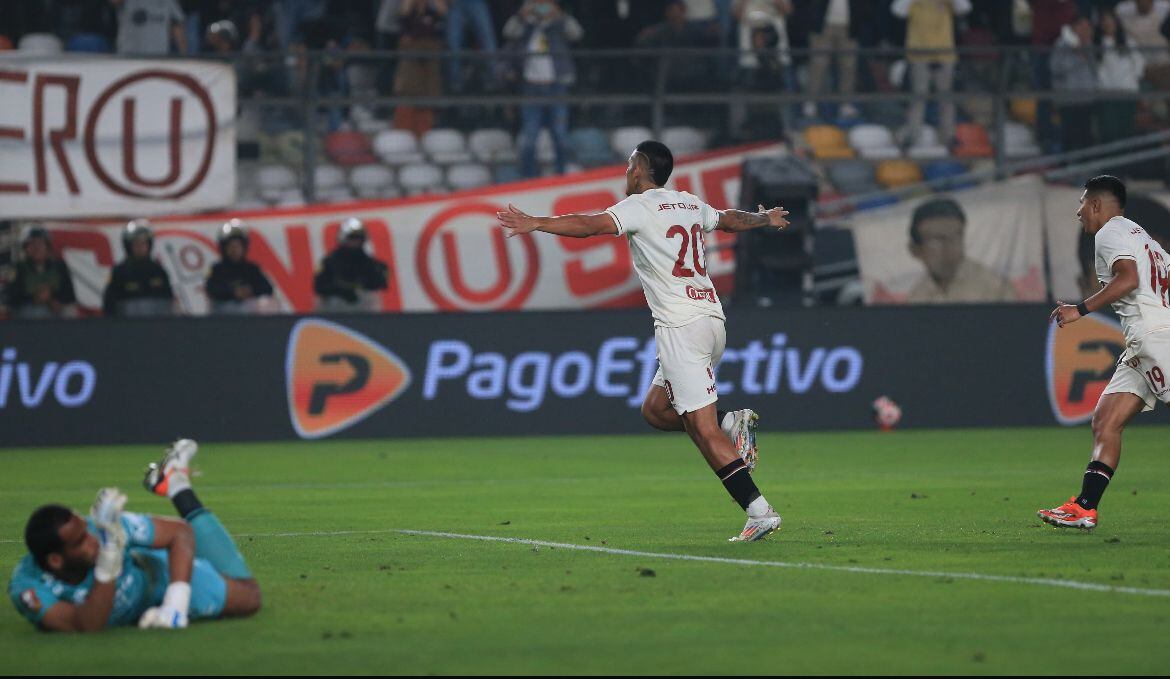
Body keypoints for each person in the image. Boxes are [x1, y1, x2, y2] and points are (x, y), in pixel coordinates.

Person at [497, 140, 790, 542]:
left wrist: (537, 223)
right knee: (655, 411)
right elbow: (730, 219)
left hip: (680, 327)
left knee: (702, 432)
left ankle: (760, 512)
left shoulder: (638, 207)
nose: (625, 172)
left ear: (640, 169)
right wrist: (765, 219)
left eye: (629, 165)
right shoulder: (688, 202)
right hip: (711, 320)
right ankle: (731, 422)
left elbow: (589, 225)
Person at [8, 439, 261, 631]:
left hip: (156, 575)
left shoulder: (105, 527)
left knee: (249, 597)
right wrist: (109, 558)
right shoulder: (28, 587)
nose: (92, 539)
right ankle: (174, 481)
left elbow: (180, 532)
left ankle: (176, 484)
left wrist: (176, 603)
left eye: (86, 531)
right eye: (80, 542)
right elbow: (85, 625)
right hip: (130, 601)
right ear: (55, 561)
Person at [1041, 176, 1170, 529]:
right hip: (1143, 341)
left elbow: (1127, 279)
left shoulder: (1110, 233)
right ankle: (1085, 506)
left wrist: (1078, 309)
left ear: (1096, 204)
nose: (1078, 211)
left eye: (1082, 203)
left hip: (1154, 338)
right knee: (1106, 421)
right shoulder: (1143, 238)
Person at [502, 0, 583, 178]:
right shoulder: (526, 25)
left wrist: (559, 14)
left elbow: (577, 33)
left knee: (560, 137)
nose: (541, 6)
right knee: (529, 139)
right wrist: (522, 16)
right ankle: (528, 178)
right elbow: (508, 32)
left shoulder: (560, 22)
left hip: (556, 87)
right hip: (531, 88)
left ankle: (561, 176)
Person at [891, 0, 972, 148]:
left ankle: (948, 137)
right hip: (919, 55)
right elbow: (898, 11)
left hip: (944, 54)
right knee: (918, 96)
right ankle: (912, 136)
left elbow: (965, 8)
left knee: (946, 97)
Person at [904, 197, 1016, 303]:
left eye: (956, 237)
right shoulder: (916, 298)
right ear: (915, 250)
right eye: (938, 240)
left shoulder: (995, 288)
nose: (949, 247)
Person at [803, 0, 869, 120]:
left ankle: (845, 104)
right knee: (818, 64)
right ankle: (810, 102)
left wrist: (860, 20)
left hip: (849, 24)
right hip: (822, 24)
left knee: (849, 66)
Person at [102, 219, 175, 317]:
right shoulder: (119, 272)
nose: (140, 247)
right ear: (128, 246)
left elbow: (169, 302)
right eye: (136, 243)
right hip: (127, 327)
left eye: (143, 243)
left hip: (156, 326)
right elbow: (109, 305)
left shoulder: (158, 270)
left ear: (149, 244)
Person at [313, 217, 390, 311]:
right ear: (343, 238)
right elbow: (319, 286)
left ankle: (374, 324)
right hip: (335, 306)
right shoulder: (330, 262)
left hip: (361, 305)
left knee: (371, 296)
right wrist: (341, 290)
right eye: (351, 238)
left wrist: (359, 287)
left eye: (358, 238)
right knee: (322, 300)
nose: (355, 242)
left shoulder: (368, 262)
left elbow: (380, 282)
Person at [1096, 7, 1146, 144]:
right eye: (1104, 21)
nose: (1108, 24)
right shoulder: (1096, 45)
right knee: (1110, 131)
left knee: (1126, 130)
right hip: (1107, 94)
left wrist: (1132, 80)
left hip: (1127, 92)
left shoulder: (1128, 42)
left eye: (1110, 20)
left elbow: (1139, 63)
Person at [4, 227, 77, 319]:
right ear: (25, 248)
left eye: (40, 244)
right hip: (28, 311)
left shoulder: (59, 266)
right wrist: (34, 299)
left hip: (55, 308)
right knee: (38, 312)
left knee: (69, 312)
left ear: (47, 246)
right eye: (32, 244)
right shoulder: (18, 269)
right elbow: (10, 298)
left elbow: (70, 295)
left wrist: (52, 299)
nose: (36, 248)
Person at [205, 219, 275, 314]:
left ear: (244, 247)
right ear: (224, 248)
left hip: (249, 313)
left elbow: (268, 288)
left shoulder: (252, 268)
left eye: (238, 246)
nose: (234, 250)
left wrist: (250, 290)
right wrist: (232, 292)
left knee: (266, 302)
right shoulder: (217, 269)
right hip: (223, 313)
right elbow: (211, 288)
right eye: (231, 246)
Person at [1051, 16, 1099, 152]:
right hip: (1068, 99)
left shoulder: (1091, 45)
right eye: (1081, 27)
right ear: (1073, 28)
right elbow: (1056, 68)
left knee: (1086, 136)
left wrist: (1086, 51)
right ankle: (1065, 169)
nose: (1084, 30)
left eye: (1087, 28)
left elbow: (1095, 70)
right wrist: (1077, 57)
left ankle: (1087, 169)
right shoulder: (1061, 44)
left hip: (1086, 98)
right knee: (1068, 137)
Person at [1116, 0, 1170, 90]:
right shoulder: (1126, 18)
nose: (1142, 3)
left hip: (1163, 65)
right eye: (1139, 1)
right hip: (1142, 69)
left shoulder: (1162, 16)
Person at [110, 0, 187, 55]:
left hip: (159, 57)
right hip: (129, 55)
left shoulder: (169, 1)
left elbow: (178, 26)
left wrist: (184, 54)